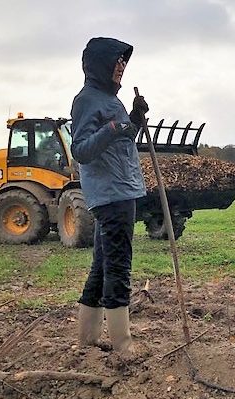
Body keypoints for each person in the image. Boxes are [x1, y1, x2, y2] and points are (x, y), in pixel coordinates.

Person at [70, 37, 149, 356]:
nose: (121, 67)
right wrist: (116, 126)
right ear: (99, 65)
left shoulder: (110, 99)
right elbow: (81, 151)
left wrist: (134, 119)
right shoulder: (87, 100)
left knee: (102, 266)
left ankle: (87, 340)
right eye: (116, 61)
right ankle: (123, 343)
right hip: (110, 194)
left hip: (122, 188)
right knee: (119, 265)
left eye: (124, 63)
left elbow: (124, 136)